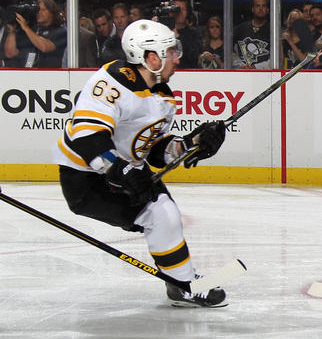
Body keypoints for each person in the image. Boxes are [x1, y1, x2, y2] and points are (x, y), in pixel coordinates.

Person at [52, 19, 227, 307]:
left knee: (165, 216)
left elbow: (152, 150)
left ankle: (181, 282)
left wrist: (191, 144)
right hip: (85, 178)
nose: (177, 58)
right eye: (171, 52)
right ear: (151, 58)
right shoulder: (111, 81)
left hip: (125, 170)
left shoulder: (162, 95)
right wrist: (116, 168)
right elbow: (87, 135)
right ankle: (183, 286)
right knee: (161, 214)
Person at [3, 0, 67, 68]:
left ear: (52, 13)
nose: (39, 12)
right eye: (38, 10)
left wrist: (26, 28)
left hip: (50, 73)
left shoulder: (61, 32)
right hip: (27, 72)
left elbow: (45, 47)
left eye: (43, 10)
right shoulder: (30, 30)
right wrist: (12, 31)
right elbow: (10, 53)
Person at [234, 0, 271, 68]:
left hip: (264, 72)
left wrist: (257, 67)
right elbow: (231, 51)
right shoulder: (240, 28)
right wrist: (240, 65)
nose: (260, 9)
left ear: (268, 10)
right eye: (257, 6)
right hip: (241, 71)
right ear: (252, 9)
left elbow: (277, 56)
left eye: (263, 6)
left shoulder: (273, 30)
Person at [170, 0, 202, 69]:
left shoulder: (194, 33)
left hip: (186, 72)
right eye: (177, 9)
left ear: (187, 12)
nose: (180, 12)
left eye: (183, 9)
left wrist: (178, 37)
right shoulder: (163, 31)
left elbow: (193, 57)